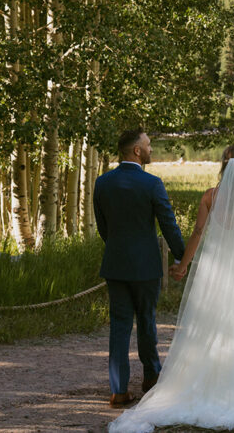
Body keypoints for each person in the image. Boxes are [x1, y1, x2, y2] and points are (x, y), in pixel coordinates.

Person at [109, 145, 234, 432]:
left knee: (211, 324)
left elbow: (197, 232)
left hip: (214, 269)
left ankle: (204, 380)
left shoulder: (210, 195)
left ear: (223, 165)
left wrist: (183, 265)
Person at [94, 129, 186, 408]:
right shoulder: (152, 183)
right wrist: (184, 257)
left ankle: (118, 390)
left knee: (119, 327)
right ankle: (151, 379)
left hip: (115, 265)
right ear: (136, 151)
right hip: (146, 266)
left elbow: (103, 227)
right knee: (146, 321)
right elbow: (169, 225)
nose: (151, 150)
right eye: (148, 145)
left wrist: (118, 249)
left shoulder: (102, 183)